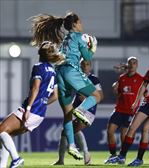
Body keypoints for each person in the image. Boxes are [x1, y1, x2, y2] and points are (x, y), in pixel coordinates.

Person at [29, 12, 102, 160]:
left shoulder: (65, 41)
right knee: (97, 95)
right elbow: (87, 58)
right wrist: (92, 48)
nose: (82, 25)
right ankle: (81, 110)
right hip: (71, 71)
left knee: (68, 114)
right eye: (80, 22)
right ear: (74, 24)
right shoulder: (79, 37)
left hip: (59, 74)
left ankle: (72, 146)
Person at [0, 41, 63, 168]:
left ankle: (16, 159)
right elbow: (55, 96)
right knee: (7, 135)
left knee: (1, 130)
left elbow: (35, 88)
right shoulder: (53, 71)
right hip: (40, 115)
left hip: (31, 110)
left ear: (40, 52)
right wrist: (43, 103)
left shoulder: (38, 66)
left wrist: (28, 108)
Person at [53, 59, 103, 165]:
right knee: (65, 131)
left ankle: (86, 154)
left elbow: (100, 96)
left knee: (75, 130)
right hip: (75, 109)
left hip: (88, 111)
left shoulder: (94, 79)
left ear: (91, 66)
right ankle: (61, 160)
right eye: (83, 64)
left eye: (87, 64)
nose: (85, 66)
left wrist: (85, 97)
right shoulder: (74, 76)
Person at [104, 57, 147, 164]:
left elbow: (146, 95)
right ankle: (113, 155)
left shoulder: (141, 79)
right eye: (130, 63)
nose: (132, 65)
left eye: (134, 63)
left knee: (124, 134)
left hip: (131, 112)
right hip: (119, 109)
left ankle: (122, 157)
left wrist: (142, 106)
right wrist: (115, 88)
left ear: (137, 65)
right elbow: (118, 93)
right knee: (110, 131)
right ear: (127, 64)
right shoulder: (122, 78)